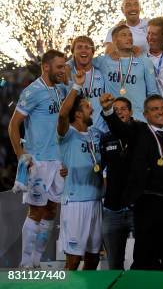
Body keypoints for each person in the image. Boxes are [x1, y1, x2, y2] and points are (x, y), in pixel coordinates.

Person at [100, 93, 163, 271]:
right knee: (146, 257)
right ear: (145, 114)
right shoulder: (138, 131)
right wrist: (108, 110)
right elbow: (119, 129)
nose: (160, 112)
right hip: (148, 204)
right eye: (155, 109)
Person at [9, 50, 68, 268]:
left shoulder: (60, 90)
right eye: (59, 67)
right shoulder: (32, 91)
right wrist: (20, 155)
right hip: (38, 160)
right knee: (36, 211)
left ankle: (36, 260)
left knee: (52, 209)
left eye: (64, 66)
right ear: (46, 67)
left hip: (57, 159)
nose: (63, 70)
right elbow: (13, 124)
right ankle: (25, 264)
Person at [56, 70, 103, 270]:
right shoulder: (68, 134)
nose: (91, 110)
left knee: (93, 258)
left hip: (96, 200)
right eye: (86, 107)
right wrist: (76, 86)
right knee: (74, 260)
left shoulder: (95, 134)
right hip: (75, 202)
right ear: (77, 113)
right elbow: (62, 114)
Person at [99, 97, 134, 270]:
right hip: (112, 209)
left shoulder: (141, 133)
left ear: (131, 112)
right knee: (113, 265)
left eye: (123, 108)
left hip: (137, 208)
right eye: (116, 109)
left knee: (143, 261)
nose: (119, 112)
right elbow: (99, 167)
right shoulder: (105, 139)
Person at [96, 25, 158, 121]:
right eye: (124, 35)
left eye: (130, 35)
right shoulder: (104, 61)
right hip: (113, 120)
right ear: (114, 40)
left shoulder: (144, 61)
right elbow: (80, 62)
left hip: (139, 119)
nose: (129, 38)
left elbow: (153, 92)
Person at [69, 36, 106, 133]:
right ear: (73, 52)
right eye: (79, 47)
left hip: (100, 132)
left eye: (87, 47)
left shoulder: (102, 73)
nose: (83, 50)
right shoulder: (68, 75)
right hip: (77, 133)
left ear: (93, 52)